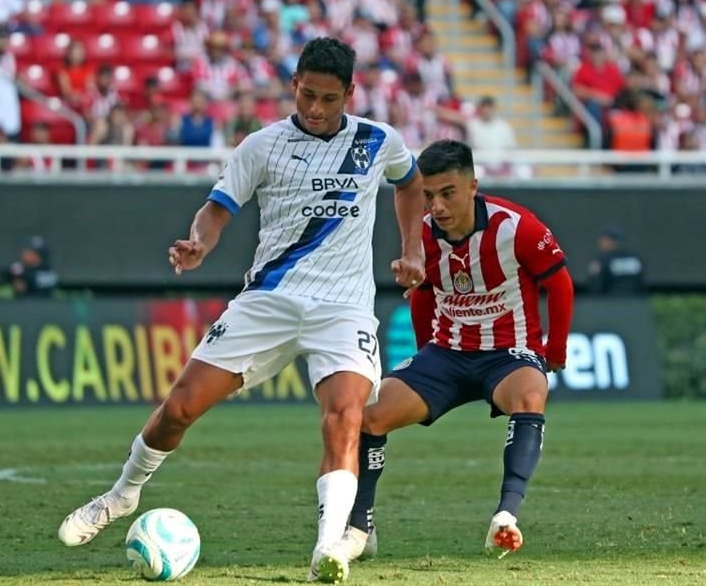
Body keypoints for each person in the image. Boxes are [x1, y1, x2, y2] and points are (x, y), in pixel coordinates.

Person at [57, 37, 425, 584]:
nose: (317, 110)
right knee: (180, 408)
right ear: (293, 84)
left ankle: (328, 549)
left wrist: (412, 248)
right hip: (269, 300)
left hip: (342, 309)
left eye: (329, 99)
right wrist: (199, 243)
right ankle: (121, 496)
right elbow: (218, 208)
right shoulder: (262, 146)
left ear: (350, 93)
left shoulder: (378, 141)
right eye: (307, 95)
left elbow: (411, 182)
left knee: (346, 417)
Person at [327, 138, 574, 563]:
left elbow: (560, 283)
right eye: (427, 195)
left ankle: (505, 516)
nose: (436, 206)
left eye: (447, 193)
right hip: (447, 353)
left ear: (472, 186)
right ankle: (360, 527)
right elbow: (423, 293)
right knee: (369, 413)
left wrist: (556, 349)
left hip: (508, 352)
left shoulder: (516, 226)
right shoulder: (419, 234)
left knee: (531, 394)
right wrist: (426, 354)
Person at [585, 225, 646, 295]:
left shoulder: (602, 260)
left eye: (604, 240)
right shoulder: (635, 258)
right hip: (635, 302)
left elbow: (595, 285)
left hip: (609, 302)